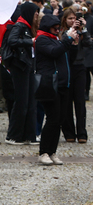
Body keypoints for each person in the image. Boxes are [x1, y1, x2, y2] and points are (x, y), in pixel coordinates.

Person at [35, 14, 78, 165]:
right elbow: (54, 52)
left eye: (58, 27)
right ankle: (43, 152)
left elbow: (67, 57)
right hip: (50, 84)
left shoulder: (56, 39)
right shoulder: (42, 39)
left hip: (62, 84)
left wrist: (73, 44)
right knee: (52, 119)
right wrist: (67, 40)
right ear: (47, 26)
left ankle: (52, 151)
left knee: (59, 119)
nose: (57, 29)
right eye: (55, 27)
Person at [3, 3, 40, 145]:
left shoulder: (29, 27)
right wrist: (30, 41)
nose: (36, 17)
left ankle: (29, 135)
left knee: (31, 102)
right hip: (20, 67)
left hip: (28, 66)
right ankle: (13, 135)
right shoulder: (19, 26)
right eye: (35, 14)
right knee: (21, 102)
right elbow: (12, 41)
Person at [60, 8, 90, 143]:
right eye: (70, 18)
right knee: (66, 101)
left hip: (79, 67)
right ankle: (69, 132)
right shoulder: (62, 33)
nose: (73, 21)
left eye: (74, 18)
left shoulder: (81, 32)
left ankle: (82, 133)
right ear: (65, 20)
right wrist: (70, 33)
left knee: (80, 101)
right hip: (66, 68)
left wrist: (84, 29)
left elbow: (89, 43)